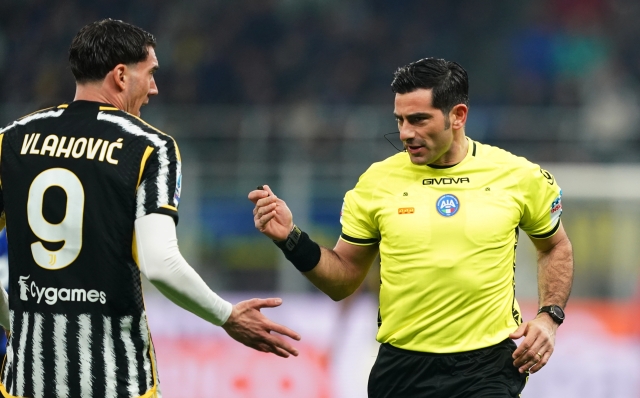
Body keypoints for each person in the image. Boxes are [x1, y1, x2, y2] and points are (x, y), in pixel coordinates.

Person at [0, 19, 300, 398]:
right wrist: (227, 316)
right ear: (121, 76)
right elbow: (160, 264)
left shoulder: (11, 139)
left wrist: (11, 318)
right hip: (115, 380)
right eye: (151, 73)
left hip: (27, 381)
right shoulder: (148, 147)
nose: (155, 88)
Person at [249, 57, 574, 397]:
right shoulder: (376, 182)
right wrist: (291, 239)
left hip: (488, 367)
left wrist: (549, 316)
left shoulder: (518, 177)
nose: (405, 133)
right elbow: (343, 280)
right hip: (402, 370)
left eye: (418, 119)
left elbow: (555, 247)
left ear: (458, 116)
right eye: (400, 120)